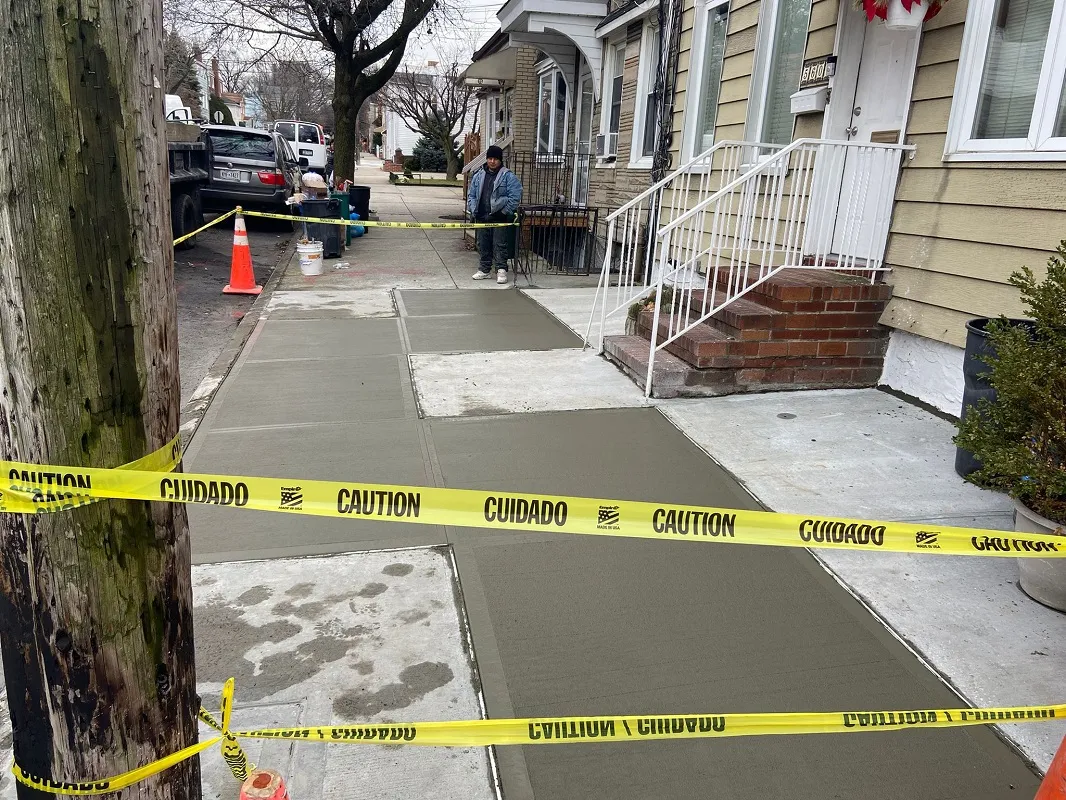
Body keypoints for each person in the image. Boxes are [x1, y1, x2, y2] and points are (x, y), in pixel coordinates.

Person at [466, 145, 523, 285]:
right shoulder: (478, 175)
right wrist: (473, 209)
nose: (492, 161)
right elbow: (471, 195)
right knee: (483, 244)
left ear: (500, 160)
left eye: (495, 159)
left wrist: (504, 212)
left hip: (499, 218)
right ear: (486, 159)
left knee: (500, 244)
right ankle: (484, 270)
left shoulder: (508, 176)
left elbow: (515, 196)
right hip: (481, 216)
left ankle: (501, 269)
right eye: (490, 158)